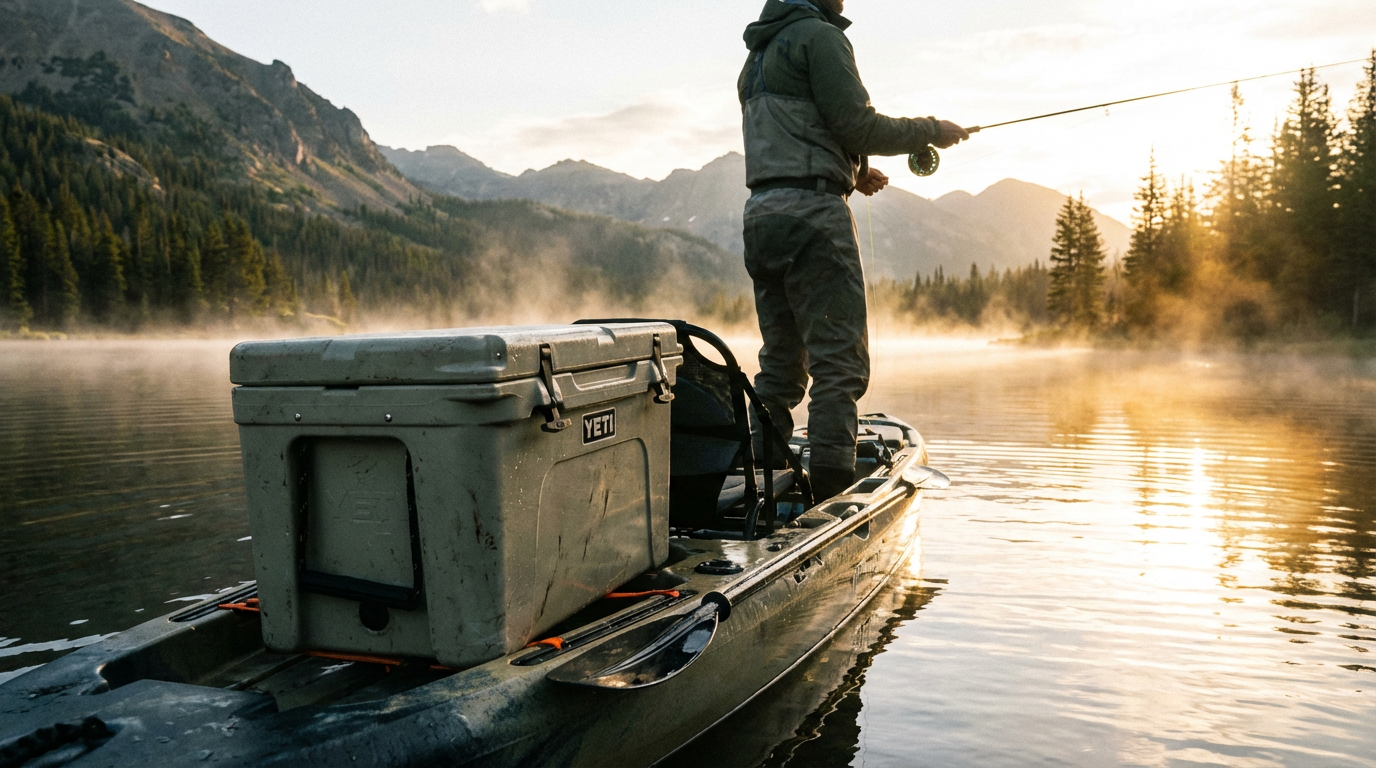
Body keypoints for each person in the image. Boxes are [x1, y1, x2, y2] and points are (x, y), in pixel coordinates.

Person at [738, 0, 968, 500]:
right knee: (839, 365)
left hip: (761, 216)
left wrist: (854, 174)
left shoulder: (757, 53)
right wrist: (930, 130)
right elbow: (859, 125)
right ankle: (832, 498)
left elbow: (794, 130)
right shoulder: (820, 38)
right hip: (813, 220)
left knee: (780, 363)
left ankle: (753, 480)